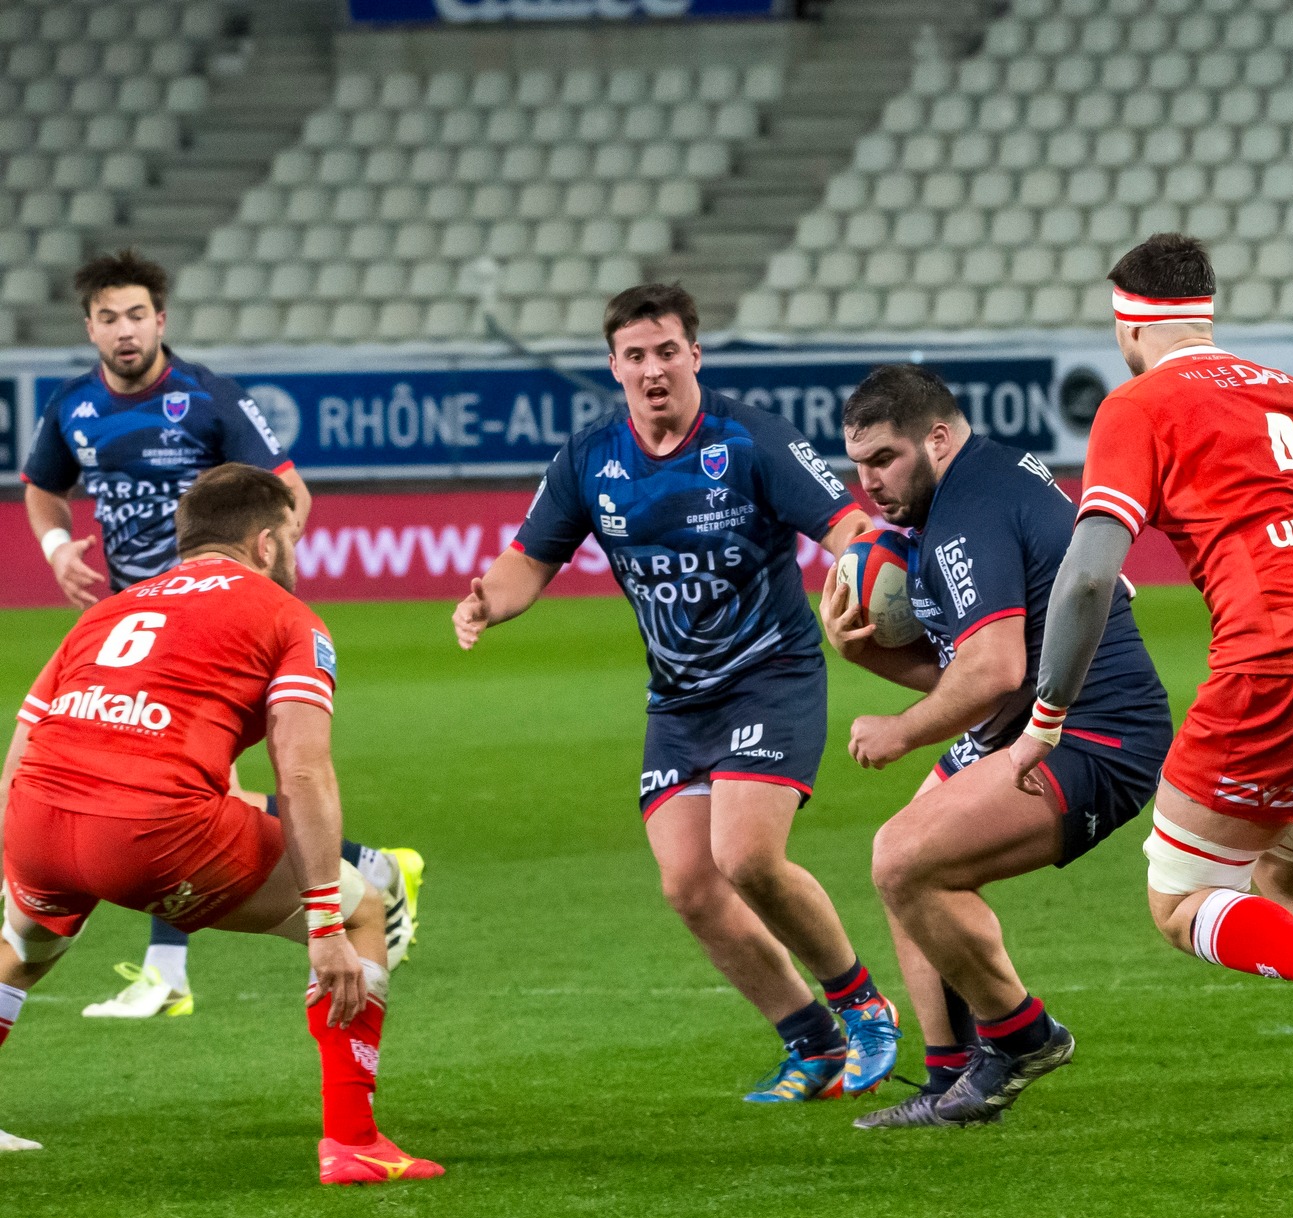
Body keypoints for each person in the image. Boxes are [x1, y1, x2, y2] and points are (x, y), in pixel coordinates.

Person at [1009, 235, 1293, 1161]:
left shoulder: (1137, 405)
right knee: (1291, 877)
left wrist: (1048, 717)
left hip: (1281, 665)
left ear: (1128, 322)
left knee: (1181, 901)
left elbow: (1090, 579)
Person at [452, 283, 900, 1103]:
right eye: (636, 356)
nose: (653, 370)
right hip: (679, 698)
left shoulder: (751, 438)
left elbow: (845, 526)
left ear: (695, 355)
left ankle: (862, 1000)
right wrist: (488, 597)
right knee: (690, 885)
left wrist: (867, 568)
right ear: (613, 365)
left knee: (744, 855)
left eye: (668, 352)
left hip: (771, 673)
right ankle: (813, 1045)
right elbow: (530, 557)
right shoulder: (591, 455)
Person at [0, 466, 441, 1182]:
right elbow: (302, 773)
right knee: (368, 905)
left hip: (39, 818)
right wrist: (323, 924)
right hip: (150, 833)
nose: (297, 552)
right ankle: (354, 1143)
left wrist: (19, 863)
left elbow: (22, 748)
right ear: (265, 543)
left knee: (23, 944)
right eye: (294, 537)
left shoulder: (107, 611)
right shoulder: (286, 615)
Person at [19, 250, 421, 1020]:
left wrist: (246, 593)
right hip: (129, 623)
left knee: (173, 794)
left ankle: (172, 965)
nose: (126, 330)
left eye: (138, 314)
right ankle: (361, 869)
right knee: (171, 794)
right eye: (110, 317)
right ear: (90, 327)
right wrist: (55, 548)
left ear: (161, 320)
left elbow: (288, 491)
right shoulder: (72, 406)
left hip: (204, 633)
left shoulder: (208, 398)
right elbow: (42, 487)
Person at [825, 364, 1174, 1128]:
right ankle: (953, 1077)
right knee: (902, 865)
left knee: (903, 857)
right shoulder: (974, 483)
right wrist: (866, 655)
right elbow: (967, 664)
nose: (868, 482)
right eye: (857, 464)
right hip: (1023, 723)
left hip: (1093, 733)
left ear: (938, 439)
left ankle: (1022, 1037)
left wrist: (900, 730)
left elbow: (993, 667)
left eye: (884, 458)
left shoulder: (968, 510)